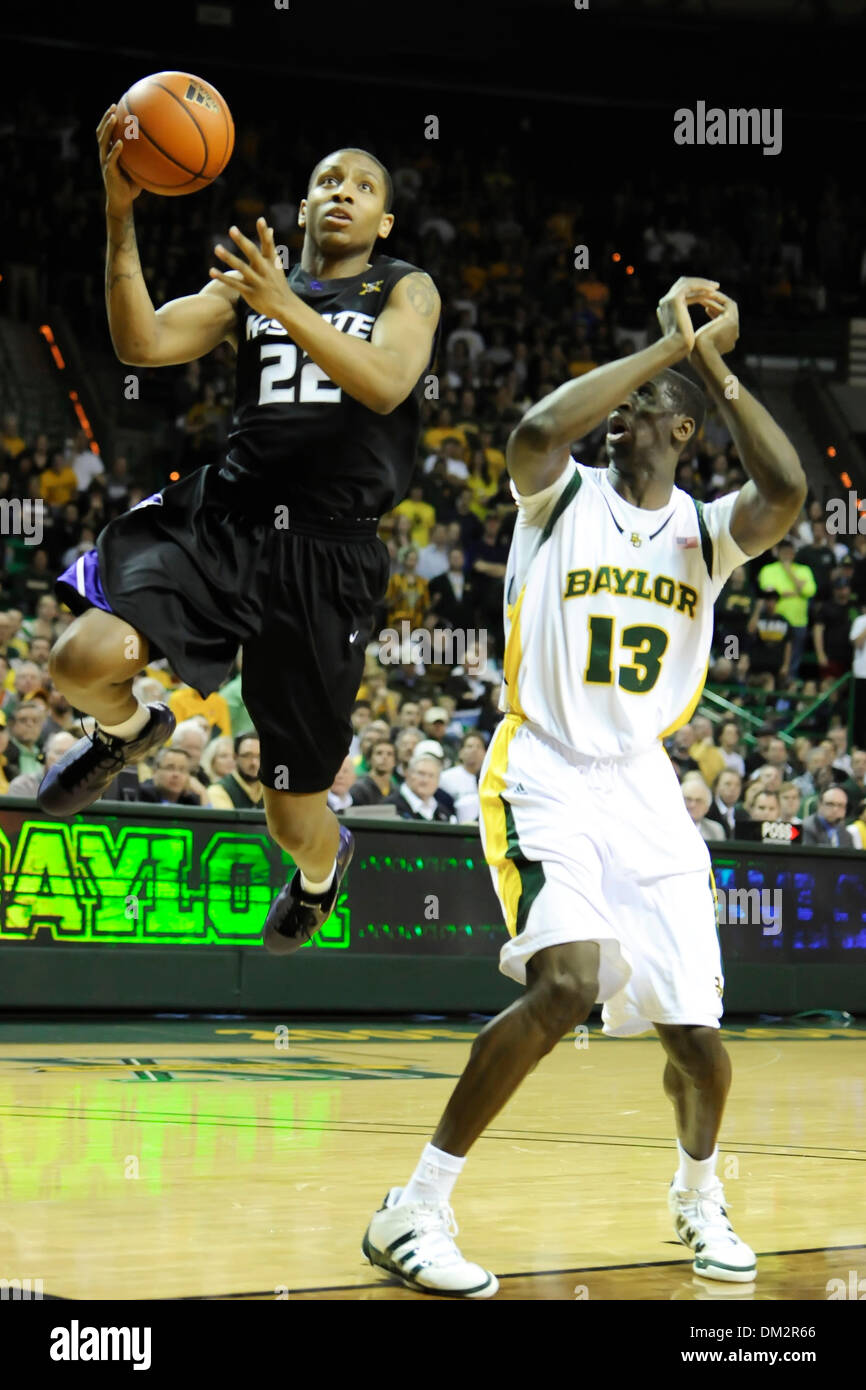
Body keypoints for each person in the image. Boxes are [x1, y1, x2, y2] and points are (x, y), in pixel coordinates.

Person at [363, 277, 807, 1295]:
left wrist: (712, 362)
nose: (621, 414)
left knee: (701, 1046)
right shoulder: (556, 493)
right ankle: (412, 1208)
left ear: (684, 431)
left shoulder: (706, 530)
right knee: (565, 980)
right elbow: (532, 425)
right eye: (618, 403)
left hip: (644, 789)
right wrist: (662, 349)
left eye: (646, 410)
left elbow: (785, 492)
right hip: (543, 764)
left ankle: (697, 1194)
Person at [37, 121, 440, 964]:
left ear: (384, 224)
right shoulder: (249, 294)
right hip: (227, 520)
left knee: (292, 817)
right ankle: (127, 733)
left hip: (329, 556)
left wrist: (285, 306)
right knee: (79, 659)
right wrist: (120, 213)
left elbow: (387, 384)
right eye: (329, 180)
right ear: (302, 206)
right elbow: (139, 343)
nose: (344, 193)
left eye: (364, 188)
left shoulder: (406, 290)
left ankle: (323, 878)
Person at [386, 752, 456, 822]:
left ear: (438, 781)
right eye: (421, 773)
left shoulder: (444, 813)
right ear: (408, 774)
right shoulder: (390, 807)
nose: (425, 780)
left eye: (431, 776)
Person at [206, 733, 263, 809]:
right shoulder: (219, 790)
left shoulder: (271, 788)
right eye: (247, 756)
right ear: (235, 757)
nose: (254, 763)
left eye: (259, 756)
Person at [439, 731, 486, 822]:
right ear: (460, 753)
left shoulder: (493, 778)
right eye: (469, 746)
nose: (474, 750)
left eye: (479, 746)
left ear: (485, 753)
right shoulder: (446, 777)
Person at [349, 736, 398, 806]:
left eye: (389, 754)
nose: (384, 757)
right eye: (379, 753)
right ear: (369, 759)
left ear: (395, 762)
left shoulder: (396, 790)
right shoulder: (358, 788)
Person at [681, 773, 724, 842]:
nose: (692, 805)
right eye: (688, 799)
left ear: (707, 808)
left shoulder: (716, 830)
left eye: (698, 801)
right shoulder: (667, 826)